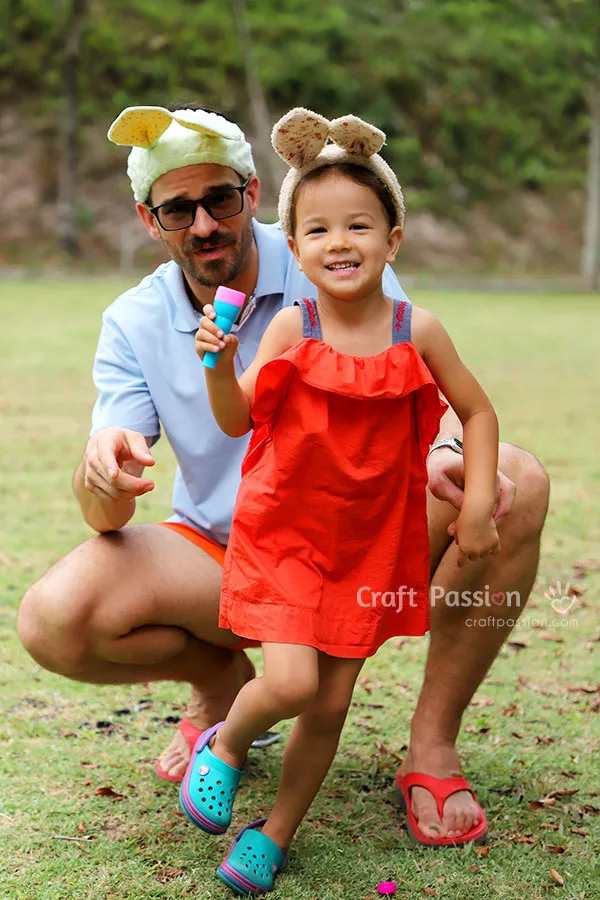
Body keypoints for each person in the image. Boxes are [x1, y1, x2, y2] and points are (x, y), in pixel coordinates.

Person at [17, 103, 549, 849]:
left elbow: (437, 395)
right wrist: (99, 471)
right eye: (178, 208)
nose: (203, 223)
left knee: (516, 479)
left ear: (253, 192)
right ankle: (226, 686)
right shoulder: (134, 321)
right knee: (52, 618)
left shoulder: (330, 241)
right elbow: (111, 506)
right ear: (150, 219)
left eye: (220, 198)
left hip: (350, 534)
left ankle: (430, 746)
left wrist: (453, 460)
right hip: (224, 549)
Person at [180, 107, 500, 894]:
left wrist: (481, 500)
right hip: (289, 537)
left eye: (359, 225)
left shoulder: (415, 330)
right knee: (289, 685)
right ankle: (225, 745)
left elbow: (480, 412)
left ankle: (276, 833)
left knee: (328, 704)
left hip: (370, 547)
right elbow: (234, 418)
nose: (339, 243)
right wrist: (219, 366)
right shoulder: (293, 327)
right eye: (317, 230)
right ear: (296, 248)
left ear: (393, 240)